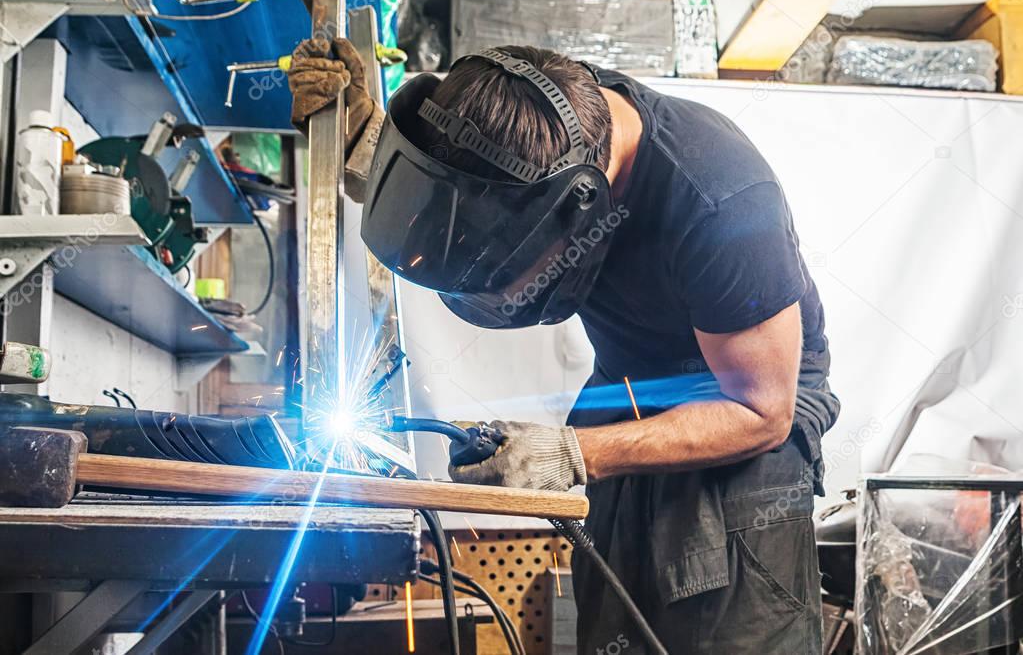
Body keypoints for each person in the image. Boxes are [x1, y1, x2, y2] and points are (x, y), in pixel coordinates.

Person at [289, 38, 840, 654]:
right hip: (627, 397)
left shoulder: (722, 200)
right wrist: (376, 151)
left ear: (579, 204)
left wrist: (574, 452)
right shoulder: (538, 117)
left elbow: (764, 411)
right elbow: (472, 204)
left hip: (740, 438)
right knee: (612, 637)